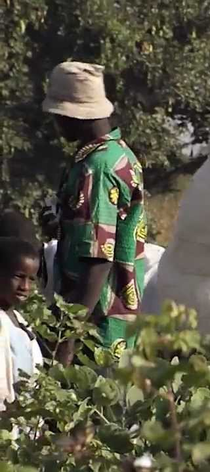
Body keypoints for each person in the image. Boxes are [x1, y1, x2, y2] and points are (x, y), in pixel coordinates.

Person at [41, 62, 147, 364]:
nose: (56, 124)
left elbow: (99, 259)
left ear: (73, 115)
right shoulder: (117, 154)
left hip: (97, 329)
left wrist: (68, 335)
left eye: (58, 116)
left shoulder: (97, 167)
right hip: (110, 325)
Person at [0, 238, 44, 410]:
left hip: (22, 425)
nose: (25, 286)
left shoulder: (21, 323)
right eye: (18, 276)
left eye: (31, 279)